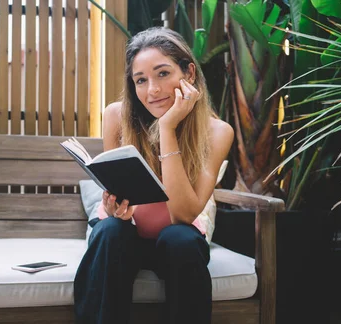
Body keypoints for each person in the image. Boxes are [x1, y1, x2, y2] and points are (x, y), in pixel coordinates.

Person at [74, 26, 234, 324]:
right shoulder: (116, 116)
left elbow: (184, 215)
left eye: (163, 74)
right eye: (141, 80)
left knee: (181, 239)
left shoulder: (217, 132)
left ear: (189, 73)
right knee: (110, 231)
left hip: (174, 238)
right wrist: (114, 207)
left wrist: (167, 128)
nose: (153, 90)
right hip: (124, 235)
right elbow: (117, 191)